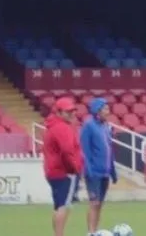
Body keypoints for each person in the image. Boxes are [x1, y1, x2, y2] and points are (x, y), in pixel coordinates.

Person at [41, 97, 82, 236]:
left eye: (73, 111)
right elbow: (67, 151)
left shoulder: (53, 126)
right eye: (68, 112)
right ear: (58, 112)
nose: (72, 114)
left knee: (58, 206)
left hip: (53, 171)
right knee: (64, 206)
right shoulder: (62, 128)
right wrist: (74, 169)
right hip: (65, 172)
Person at [80, 97, 118, 235]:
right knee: (94, 202)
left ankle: (95, 231)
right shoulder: (88, 126)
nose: (108, 111)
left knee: (100, 204)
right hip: (94, 172)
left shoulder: (106, 127)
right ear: (97, 110)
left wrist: (113, 171)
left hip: (105, 172)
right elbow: (84, 151)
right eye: (105, 109)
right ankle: (90, 232)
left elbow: (109, 149)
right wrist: (88, 170)